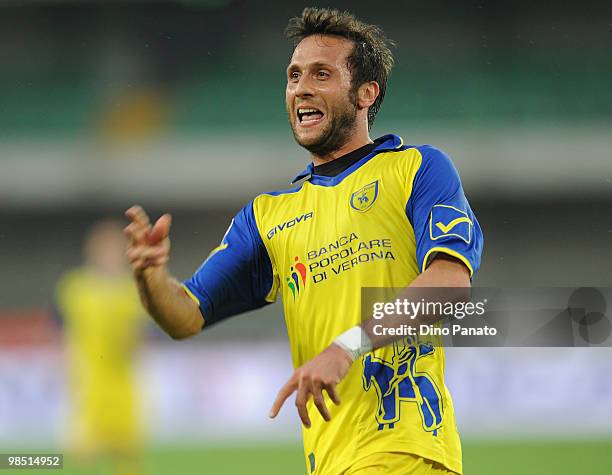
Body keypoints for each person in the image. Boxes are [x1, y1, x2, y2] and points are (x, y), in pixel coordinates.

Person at [124, 7, 483, 475]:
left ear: (365, 94)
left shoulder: (416, 169)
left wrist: (345, 348)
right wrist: (150, 277)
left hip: (403, 451)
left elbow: (451, 284)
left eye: (321, 74)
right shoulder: (268, 216)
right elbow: (186, 315)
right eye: (294, 76)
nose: (301, 88)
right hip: (330, 461)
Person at [55, 219, 145, 475]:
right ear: (93, 251)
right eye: (106, 249)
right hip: (88, 386)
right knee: (83, 456)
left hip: (123, 387)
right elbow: (64, 332)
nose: (111, 256)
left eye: (117, 249)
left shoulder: (132, 291)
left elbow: (137, 341)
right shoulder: (75, 288)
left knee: (126, 458)